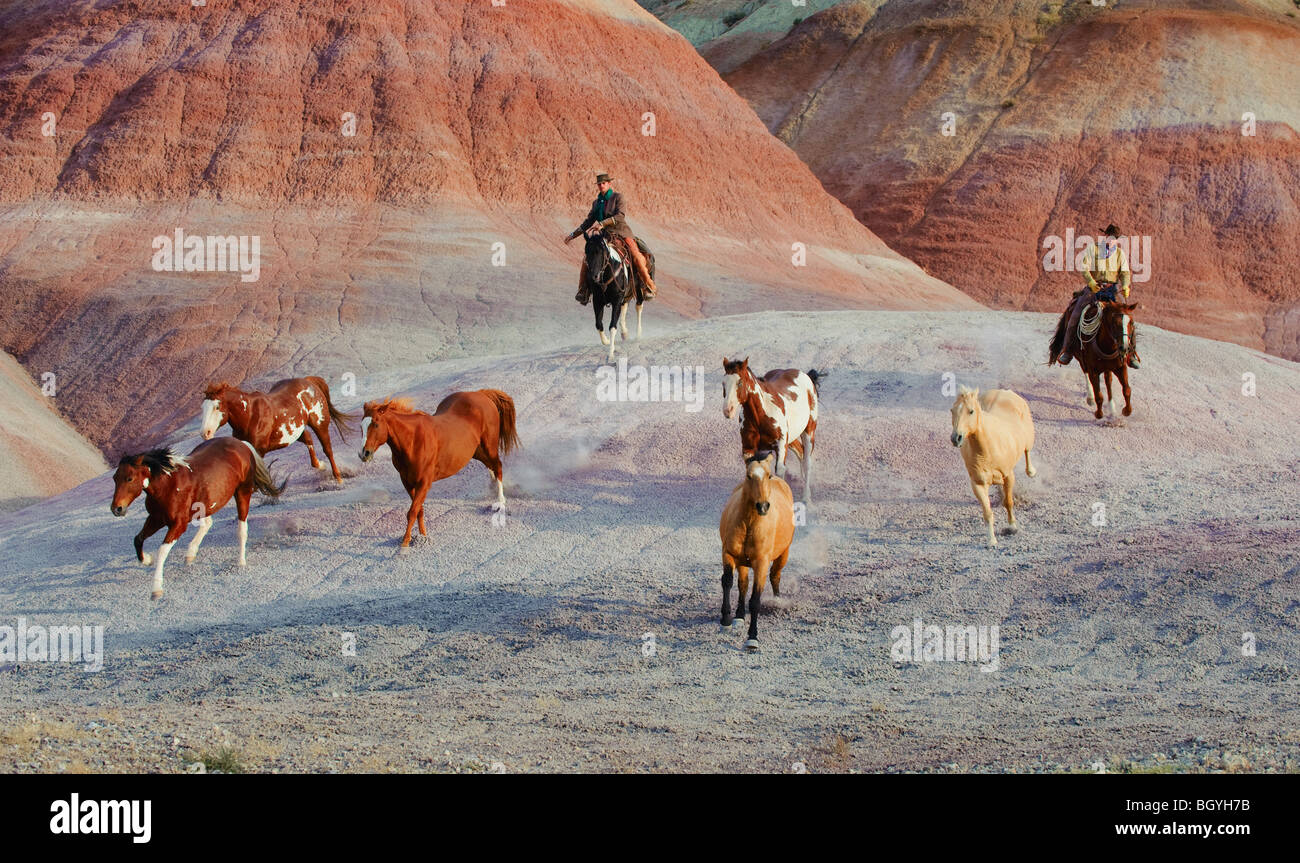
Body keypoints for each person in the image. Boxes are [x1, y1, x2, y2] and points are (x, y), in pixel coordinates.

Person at [1056, 223, 1140, 369]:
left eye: (1115, 239)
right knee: (1075, 314)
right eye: (1111, 237)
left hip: (1112, 290)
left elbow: (1125, 273)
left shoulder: (1120, 254)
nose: (1112, 241)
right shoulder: (1093, 249)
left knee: (1126, 317)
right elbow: (1084, 267)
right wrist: (1091, 282)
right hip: (1094, 289)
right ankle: (1068, 350)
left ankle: (1131, 354)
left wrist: (1126, 285)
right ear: (1105, 236)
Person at [563, 173, 657, 304]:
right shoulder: (596, 203)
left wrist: (602, 223)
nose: (601, 186)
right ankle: (583, 290)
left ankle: (648, 286)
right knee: (587, 258)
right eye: (599, 184)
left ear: (609, 184)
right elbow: (588, 222)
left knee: (636, 255)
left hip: (621, 232)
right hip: (605, 236)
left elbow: (620, 216)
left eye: (603, 183)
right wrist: (573, 235)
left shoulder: (618, 197)